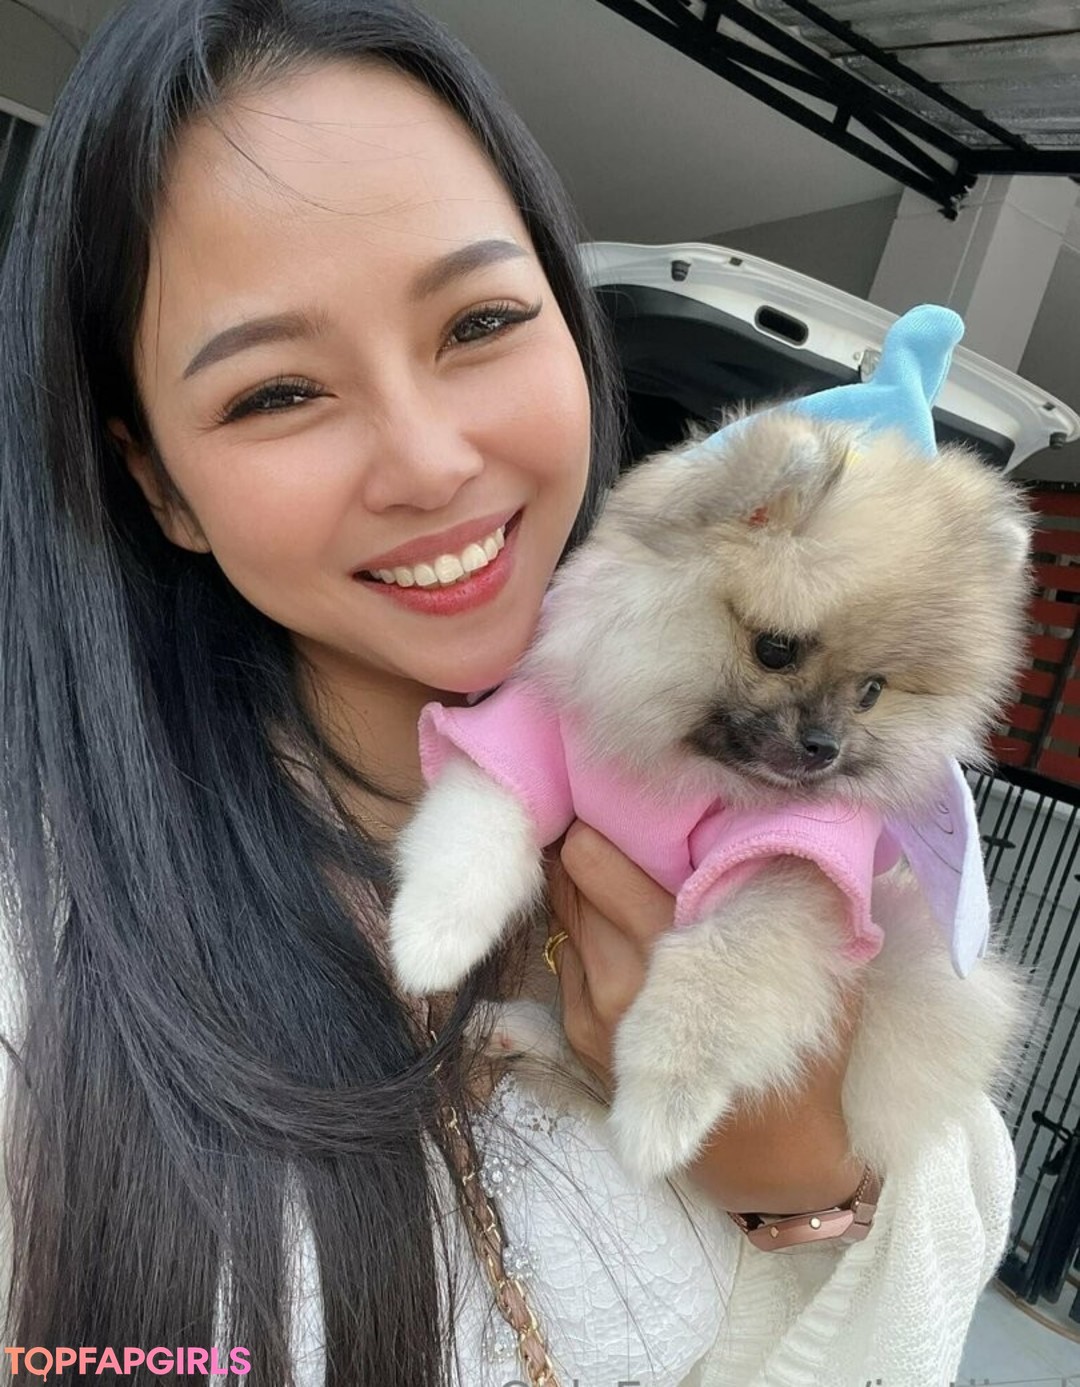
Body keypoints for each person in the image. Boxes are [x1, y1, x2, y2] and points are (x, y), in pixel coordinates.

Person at [0, 0, 1016, 1383]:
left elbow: (954, 1172)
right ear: (160, 483)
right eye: (276, 394)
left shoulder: (806, 788)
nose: (427, 461)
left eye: (480, 321)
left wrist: (814, 1180)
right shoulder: (43, 965)